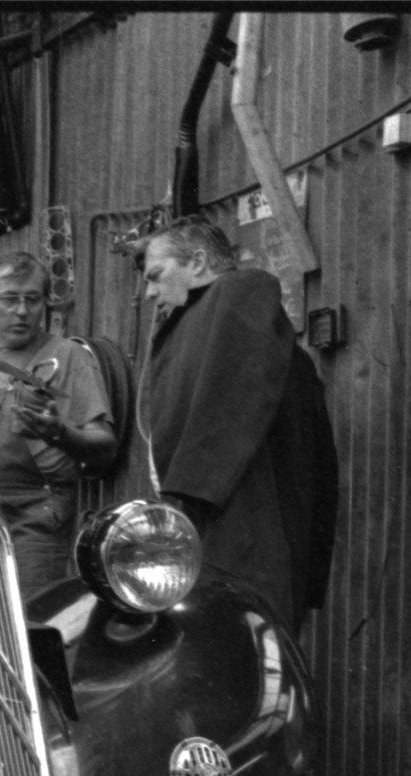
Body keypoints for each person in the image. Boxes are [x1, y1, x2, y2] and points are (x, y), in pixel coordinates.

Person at [136, 215, 339, 632]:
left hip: (237, 527)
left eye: (156, 276)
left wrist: (184, 500)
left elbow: (224, 408)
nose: (150, 292)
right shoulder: (208, 326)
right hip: (229, 521)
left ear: (197, 262)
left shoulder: (237, 295)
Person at [0, 251, 120, 596]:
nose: (22, 311)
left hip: (35, 515)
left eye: (32, 300)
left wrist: (60, 433)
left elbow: (105, 445)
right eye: (10, 299)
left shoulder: (67, 356)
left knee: (32, 621)